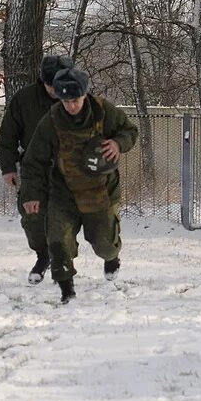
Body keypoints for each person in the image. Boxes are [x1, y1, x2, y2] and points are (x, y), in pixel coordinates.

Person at [19, 65, 139, 304]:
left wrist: (117, 143)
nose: (71, 106)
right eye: (65, 101)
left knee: (104, 244)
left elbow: (130, 131)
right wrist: (31, 195)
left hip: (101, 191)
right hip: (63, 192)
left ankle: (112, 258)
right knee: (58, 239)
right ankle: (67, 291)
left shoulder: (104, 111)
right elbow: (34, 160)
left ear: (85, 95)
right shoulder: (52, 121)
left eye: (75, 100)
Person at [0, 54, 73, 283]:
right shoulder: (24, 99)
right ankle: (44, 255)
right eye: (52, 86)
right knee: (32, 216)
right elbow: (8, 135)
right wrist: (8, 168)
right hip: (34, 170)